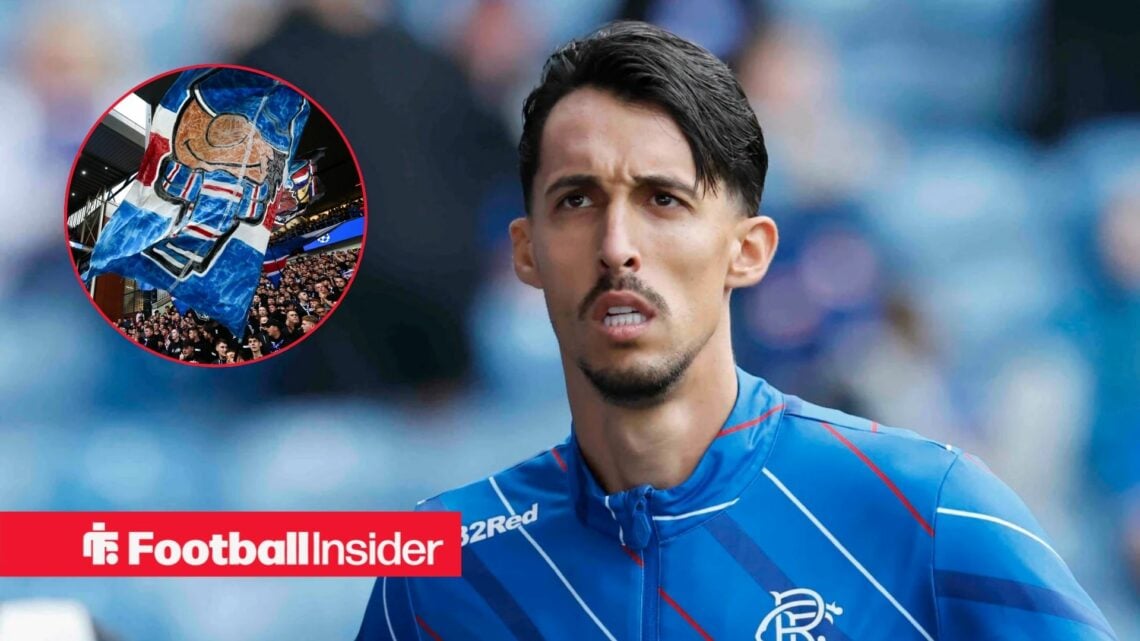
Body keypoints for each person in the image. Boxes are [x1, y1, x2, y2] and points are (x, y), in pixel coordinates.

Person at [357, 22, 1117, 641]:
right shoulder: (442, 565)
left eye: (663, 199)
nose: (617, 242)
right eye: (577, 200)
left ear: (747, 250)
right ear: (526, 252)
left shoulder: (929, 508)